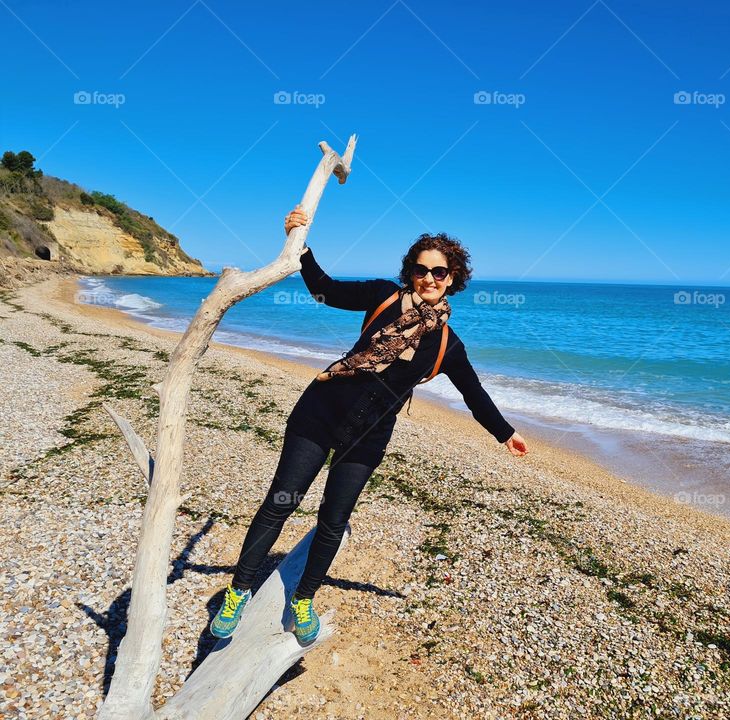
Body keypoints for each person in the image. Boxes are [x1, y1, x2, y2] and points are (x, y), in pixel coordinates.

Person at [210, 205, 529, 644]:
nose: (429, 278)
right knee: (282, 502)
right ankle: (239, 589)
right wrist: (299, 244)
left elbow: (474, 394)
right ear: (409, 271)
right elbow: (324, 290)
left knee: (333, 519)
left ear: (453, 278)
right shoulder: (383, 296)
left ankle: (303, 599)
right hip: (319, 413)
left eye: (440, 272)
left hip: (367, 435)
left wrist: (505, 432)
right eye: (420, 269)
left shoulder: (447, 345)